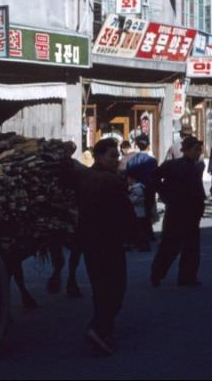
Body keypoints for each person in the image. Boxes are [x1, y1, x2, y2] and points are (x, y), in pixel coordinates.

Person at [68, 138, 135, 355]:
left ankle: (106, 331)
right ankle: (97, 328)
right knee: (116, 288)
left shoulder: (84, 177)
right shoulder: (110, 181)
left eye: (117, 156)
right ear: (99, 156)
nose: (117, 160)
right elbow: (126, 213)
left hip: (89, 240)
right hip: (109, 240)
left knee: (100, 288)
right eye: (113, 156)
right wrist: (137, 235)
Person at [150, 136, 206, 287]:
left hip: (190, 211)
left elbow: (198, 190)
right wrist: (165, 194)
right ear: (186, 150)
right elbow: (154, 177)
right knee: (172, 244)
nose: (199, 153)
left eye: (200, 150)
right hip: (178, 209)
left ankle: (185, 276)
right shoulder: (173, 165)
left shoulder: (197, 166)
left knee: (188, 246)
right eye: (196, 150)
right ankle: (159, 273)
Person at [125, 134, 158, 251]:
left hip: (136, 189)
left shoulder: (132, 160)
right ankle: (147, 234)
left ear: (137, 145)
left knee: (137, 213)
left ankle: (139, 236)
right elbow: (155, 176)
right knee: (147, 211)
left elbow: (128, 176)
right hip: (149, 188)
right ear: (148, 145)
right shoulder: (152, 161)